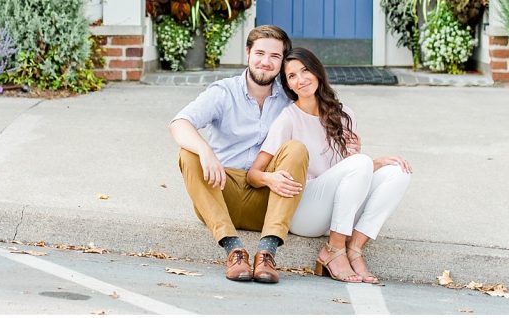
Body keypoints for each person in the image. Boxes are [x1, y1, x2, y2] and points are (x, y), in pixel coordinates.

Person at [248, 47, 412, 284]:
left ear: (317, 72)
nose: (301, 79)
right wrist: (270, 179)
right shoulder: (288, 119)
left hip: (337, 211)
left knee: (399, 173)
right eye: (292, 76)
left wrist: (378, 163)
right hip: (305, 211)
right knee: (362, 162)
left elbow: (351, 173)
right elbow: (254, 173)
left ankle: (354, 248)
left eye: (305, 71)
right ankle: (334, 250)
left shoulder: (344, 114)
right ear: (288, 86)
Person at [168, 25, 309, 284]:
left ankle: (267, 251)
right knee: (188, 153)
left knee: (297, 148)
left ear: (281, 62)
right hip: (221, 191)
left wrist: (369, 164)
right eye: (260, 53)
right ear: (248, 53)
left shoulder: (289, 102)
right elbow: (179, 123)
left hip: (267, 198)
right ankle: (233, 248)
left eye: (275, 57)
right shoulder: (223, 92)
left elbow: (321, 140)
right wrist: (205, 150)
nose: (266, 62)